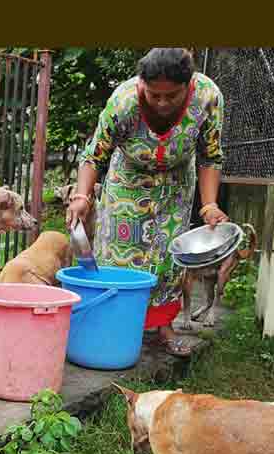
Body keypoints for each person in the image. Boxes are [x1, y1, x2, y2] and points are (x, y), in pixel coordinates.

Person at [65, 48, 228, 357]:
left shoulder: (207, 97)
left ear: (188, 85)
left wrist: (209, 205)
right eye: (155, 96)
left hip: (176, 186)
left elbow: (211, 156)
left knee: (168, 258)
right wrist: (82, 197)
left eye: (173, 96)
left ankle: (163, 328)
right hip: (127, 182)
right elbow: (94, 154)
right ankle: (114, 325)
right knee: (118, 254)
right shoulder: (123, 102)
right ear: (141, 84)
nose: (163, 103)